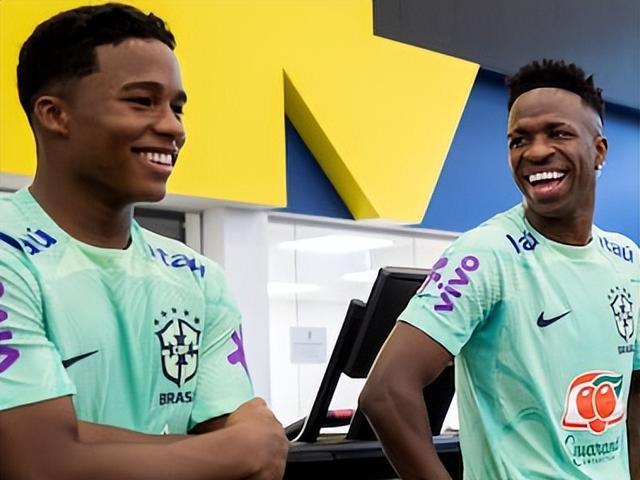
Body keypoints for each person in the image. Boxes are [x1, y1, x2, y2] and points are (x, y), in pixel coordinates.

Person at [0, 3, 288, 479]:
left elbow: (261, 459)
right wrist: (226, 450)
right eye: (142, 101)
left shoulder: (198, 278)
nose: (173, 127)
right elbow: (38, 465)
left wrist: (79, 440)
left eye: (176, 107)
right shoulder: (9, 255)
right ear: (55, 115)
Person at [359, 59, 640, 479]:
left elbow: (634, 392)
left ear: (598, 150)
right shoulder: (485, 254)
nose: (536, 151)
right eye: (518, 140)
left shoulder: (627, 259)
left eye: (558, 133)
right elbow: (386, 391)